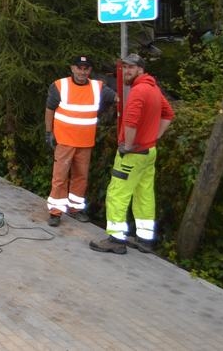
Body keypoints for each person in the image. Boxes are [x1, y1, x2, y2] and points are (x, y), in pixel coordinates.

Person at [89, 53, 174, 254]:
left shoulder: (138, 91)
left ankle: (116, 239)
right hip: (148, 152)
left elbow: (131, 121)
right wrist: (154, 137)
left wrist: (128, 145)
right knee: (144, 193)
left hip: (133, 154)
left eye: (131, 68)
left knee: (117, 193)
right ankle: (145, 239)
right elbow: (168, 114)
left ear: (140, 70)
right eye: (124, 67)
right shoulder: (153, 89)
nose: (126, 71)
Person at [44, 55, 116, 227]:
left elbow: (117, 98)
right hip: (64, 141)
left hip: (85, 142)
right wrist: (49, 132)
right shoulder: (60, 86)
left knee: (80, 177)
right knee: (60, 177)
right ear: (72, 68)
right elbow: (49, 109)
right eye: (79, 68)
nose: (82, 72)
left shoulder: (98, 87)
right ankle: (55, 212)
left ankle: (75, 209)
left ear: (90, 70)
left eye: (86, 69)